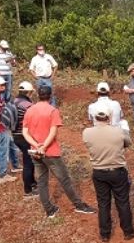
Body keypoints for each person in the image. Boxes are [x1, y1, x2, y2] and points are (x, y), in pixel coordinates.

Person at [22, 85, 96, 218]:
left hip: (35, 152)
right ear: (50, 96)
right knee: (65, 180)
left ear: (38, 95)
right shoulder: (52, 110)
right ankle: (79, 205)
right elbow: (53, 131)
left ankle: (49, 210)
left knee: (42, 181)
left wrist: (36, 145)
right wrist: (44, 146)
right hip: (50, 152)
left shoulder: (30, 110)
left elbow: (25, 132)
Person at [83, 105, 134, 243]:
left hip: (99, 172)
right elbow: (128, 143)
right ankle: (128, 231)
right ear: (109, 117)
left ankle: (105, 234)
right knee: (123, 201)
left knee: (103, 203)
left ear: (95, 117)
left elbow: (88, 145)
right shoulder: (119, 131)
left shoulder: (87, 132)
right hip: (117, 171)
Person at [13, 81, 38, 198]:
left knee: (29, 160)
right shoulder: (28, 106)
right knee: (28, 163)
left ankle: (32, 182)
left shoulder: (14, 101)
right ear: (29, 92)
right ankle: (28, 191)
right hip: (25, 136)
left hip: (15, 135)